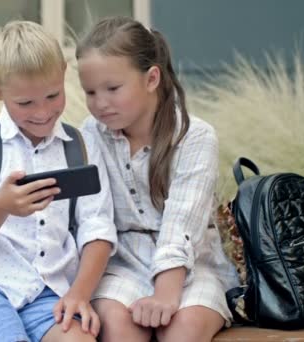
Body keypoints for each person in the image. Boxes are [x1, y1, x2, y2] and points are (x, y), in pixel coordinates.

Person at [0, 20, 117, 342]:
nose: (43, 112)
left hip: (49, 291)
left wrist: (79, 294)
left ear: (64, 74)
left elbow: (97, 227)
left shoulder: (80, 146)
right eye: (25, 103)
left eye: (53, 95)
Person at [76, 16, 240, 342]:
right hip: (122, 263)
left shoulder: (194, 136)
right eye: (90, 92)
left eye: (112, 88)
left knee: (182, 331)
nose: (100, 103)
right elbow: (92, 217)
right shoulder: (90, 135)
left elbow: (181, 223)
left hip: (192, 266)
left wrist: (166, 294)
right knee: (118, 329)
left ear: (151, 79)